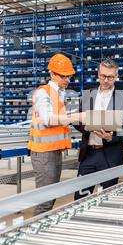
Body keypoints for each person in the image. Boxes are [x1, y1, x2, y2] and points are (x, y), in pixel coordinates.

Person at [28, 53, 83, 216]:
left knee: (51, 197)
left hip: (54, 151)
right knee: (45, 201)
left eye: (69, 77)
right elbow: (47, 119)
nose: (67, 80)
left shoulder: (60, 93)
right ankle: (31, 233)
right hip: (44, 153)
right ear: (52, 74)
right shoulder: (43, 93)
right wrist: (74, 117)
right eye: (63, 76)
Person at [73, 59, 123, 200]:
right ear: (98, 74)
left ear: (116, 76)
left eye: (110, 77)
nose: (105, 81)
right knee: (79, 197)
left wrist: (111, 138)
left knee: (107, 199)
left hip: (110, 156)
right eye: (103, 76)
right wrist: (88, 126)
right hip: (89, 154)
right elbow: (77, 119)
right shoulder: (88, 95)